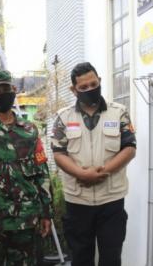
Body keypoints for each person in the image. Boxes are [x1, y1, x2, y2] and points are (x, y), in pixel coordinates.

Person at [51, 62, 136, 266]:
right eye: (84, 87)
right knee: (80, 258)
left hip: (111, 200)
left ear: (99, 82)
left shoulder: (119, 113)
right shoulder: (63, 118)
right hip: (77, 202)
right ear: (74, 90)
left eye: (93, 84)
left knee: (111, 258)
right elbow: (59, 153)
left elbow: (130, 148)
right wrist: (82, 174)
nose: (90, 89)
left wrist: (103, 172)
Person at [0, 70, 53, 266]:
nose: (2, 94)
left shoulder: (30, 130)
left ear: (14, 91)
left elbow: (41, 172)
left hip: (26, 219)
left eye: (6, 88)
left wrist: (46, 212)